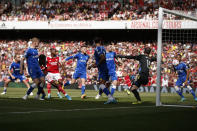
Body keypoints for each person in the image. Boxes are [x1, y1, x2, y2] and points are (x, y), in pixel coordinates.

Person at [89, 38, 116, 104]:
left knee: (101, 84)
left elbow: (103, 57)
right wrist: (92, 65)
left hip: (103, 69)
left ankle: (110, 98)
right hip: (104, 68)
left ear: (94, 42)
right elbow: (100, 59)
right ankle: (110, 97)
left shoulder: (98, 48)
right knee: (104, 84)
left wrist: (97, 64)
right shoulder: (103, 48)